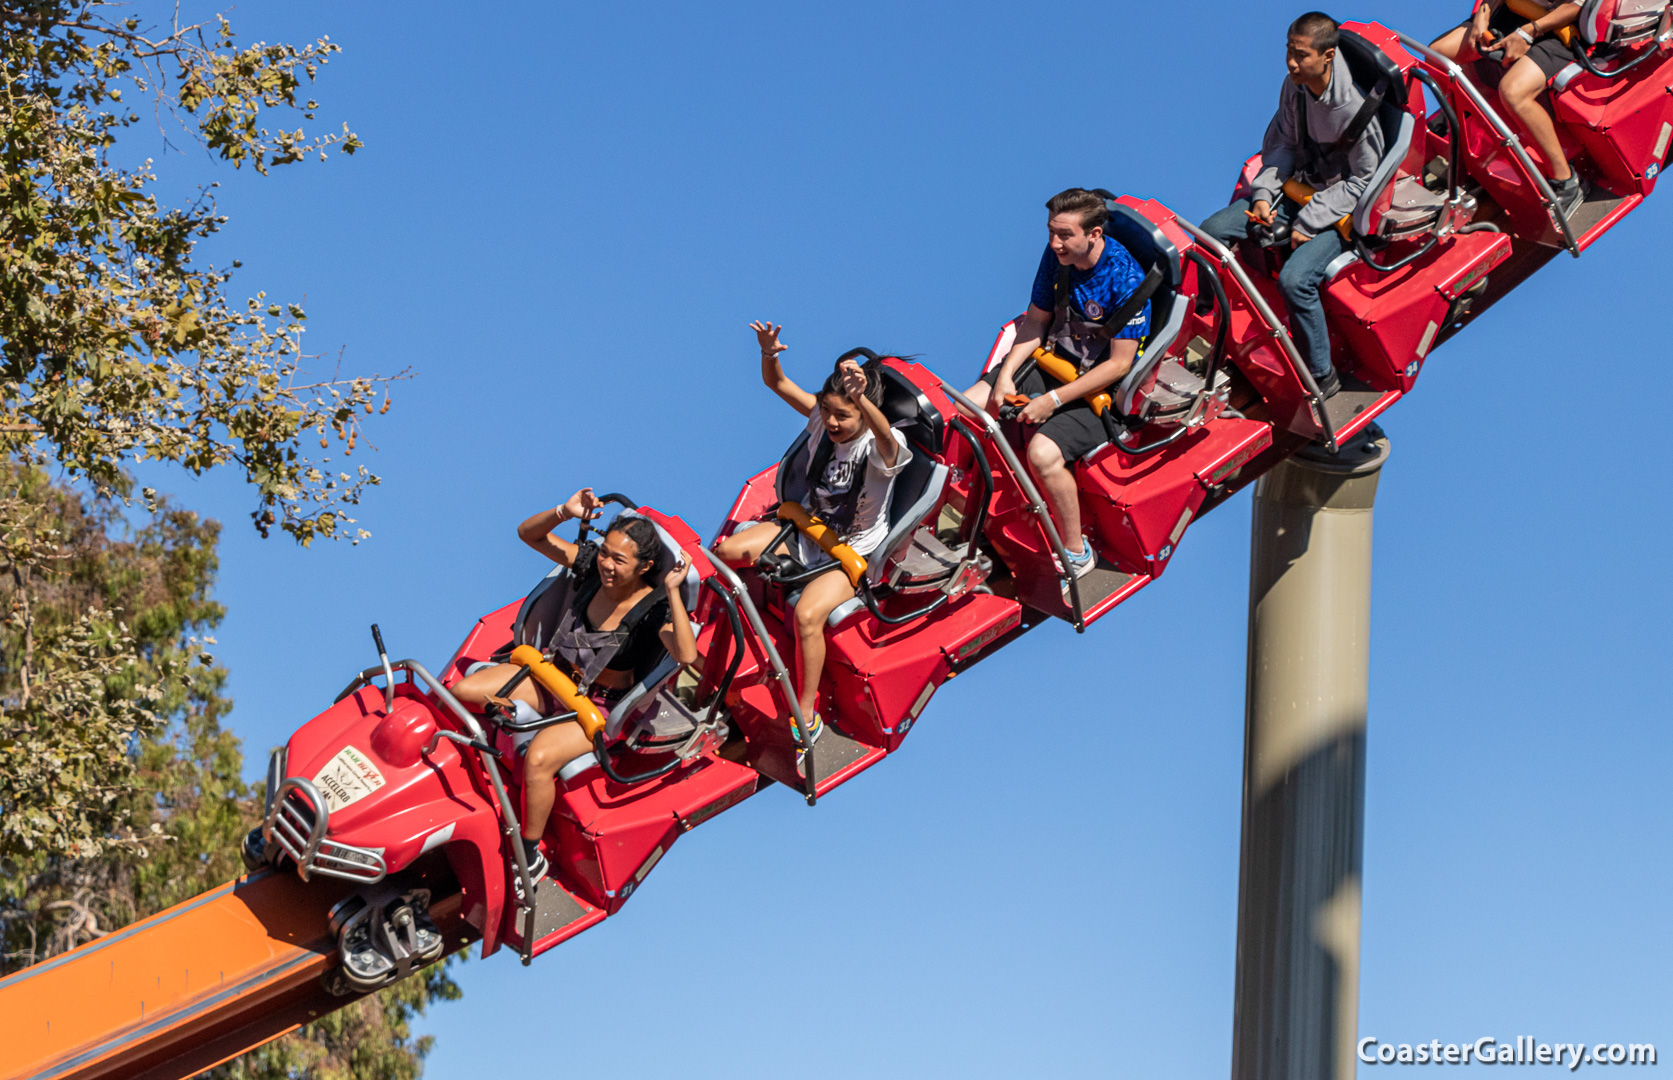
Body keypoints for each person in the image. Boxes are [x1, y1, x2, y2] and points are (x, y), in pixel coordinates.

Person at [452, 489, 698, 887]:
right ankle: (516, 730)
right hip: (553, 676)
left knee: (539, 759)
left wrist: (674, 590)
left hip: (595, 708)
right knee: (464, 693)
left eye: (619, 560)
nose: (607, 565)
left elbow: (686, 655)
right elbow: (528, 535)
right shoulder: (590, 567)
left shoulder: (654, 610)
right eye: (606, 552)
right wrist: (563, 512)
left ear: (644, 566)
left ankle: (530, 856)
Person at [714, 323, 912, 760]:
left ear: (863, 411)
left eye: (845, 415)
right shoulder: (823, 421)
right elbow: (778, 383)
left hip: (851, 553)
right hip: (807, 529)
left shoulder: (884, 445)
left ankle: (807, 714)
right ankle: (724, 647)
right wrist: (769, 354)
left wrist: (861, 400)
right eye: (828, 411)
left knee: (807, 614)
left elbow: (881, 436)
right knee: (725, 554)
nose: (833, 422)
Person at [961, 188, 1150, 581]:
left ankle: (1077, 553)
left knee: (1043, 455)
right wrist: (1008, 373)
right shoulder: (1056, 258)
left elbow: (1118, 365)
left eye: (1065, 235)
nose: (1054, 243)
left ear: (1094, 234)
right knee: (966, 408)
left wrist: (1051, 400)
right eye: (1051, 232)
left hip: (1099, 390)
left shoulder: (1125, 277)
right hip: (1056, 359)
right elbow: (1035, 322)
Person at [1199, 11, 1385, 399]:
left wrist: (1312, 221)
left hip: (1341, 213)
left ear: (1328, 56)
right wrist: (1265, 195)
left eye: (1301, 56)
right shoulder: (1295, 87)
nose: (1291, 63)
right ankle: (1204, 318)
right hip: (1295, 190)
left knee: (1295, 281)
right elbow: (1281, 144)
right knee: (1212, 233)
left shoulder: (1354, 110)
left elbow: (1365, 180)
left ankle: (1322, 375)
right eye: (1289, 51)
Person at [1430, 1, 1585, 218]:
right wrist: (1482, 18)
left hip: (1560, 27)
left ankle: (1565, 181)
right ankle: (1472, 141)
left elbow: (1574, 7)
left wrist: (1527, 33)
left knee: (1513, 92)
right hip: (1517, 11)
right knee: (1437, 57)